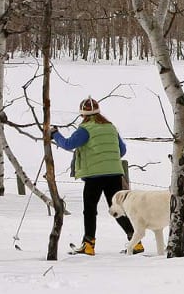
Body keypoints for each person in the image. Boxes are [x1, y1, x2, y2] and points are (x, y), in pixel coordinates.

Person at [52, 97, 142, 256]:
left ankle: (88, 244)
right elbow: (122, 151)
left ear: (83, 114)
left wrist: (54, 134)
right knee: (118, 209)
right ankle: (135, 242)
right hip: (114, 174)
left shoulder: (85, 129)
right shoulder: (111, 127)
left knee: (90, 210)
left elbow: (68, 144)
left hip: (94, 176)